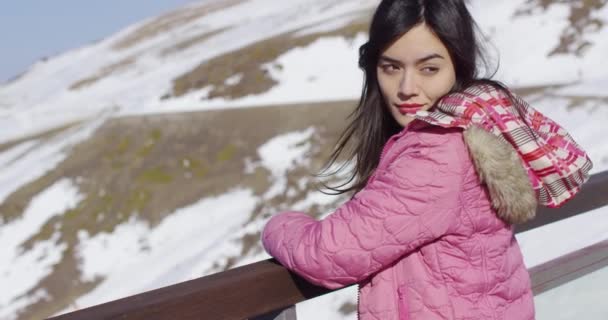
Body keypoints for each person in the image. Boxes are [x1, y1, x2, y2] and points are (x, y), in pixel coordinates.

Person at [261, 0, 592, 319]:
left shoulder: (437, 153)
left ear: (458, 66)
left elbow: (327, 255)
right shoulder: (478, 122)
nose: (407, 87)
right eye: (391, 67)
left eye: (429, 68)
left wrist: (279, 225)